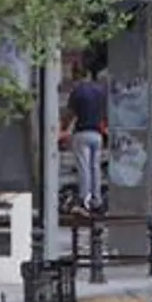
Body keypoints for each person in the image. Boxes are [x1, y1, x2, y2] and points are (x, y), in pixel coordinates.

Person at [62, 68, 109, 213]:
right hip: (97, 134)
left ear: (77, 77)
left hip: (82, 133)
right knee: (95, 167)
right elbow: (105, 113)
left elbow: (70, 114)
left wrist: (63, 129)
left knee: (84, 167)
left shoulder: (77, 92)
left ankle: (84, 199)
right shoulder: (101, 92)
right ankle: (97, 199)